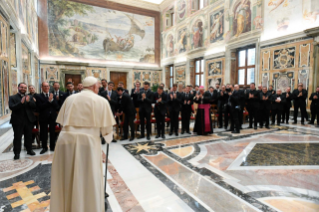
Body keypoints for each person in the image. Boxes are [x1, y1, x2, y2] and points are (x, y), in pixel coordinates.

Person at [50, 76, 116, 212]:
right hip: (87, 142)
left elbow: (62, 122)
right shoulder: (101, 101)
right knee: (86, 177)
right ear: (93, 87)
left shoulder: (70, 99)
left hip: (65, 141)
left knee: (66, 176)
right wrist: (108, 137)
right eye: (98, 87)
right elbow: (108, 132)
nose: (98, 89)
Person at [9, 82, 36, 160]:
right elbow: (12, 107)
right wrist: (21, 103)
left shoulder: (30, 97)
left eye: (25, 88)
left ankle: (29, 150)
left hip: (28, 120)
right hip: (17, 120)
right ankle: (17, 153)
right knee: (17, 137)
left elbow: (34, 107)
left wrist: (28, 102)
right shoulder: (12, 97)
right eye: (22, 87)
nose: (23, 89)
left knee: (29, 136)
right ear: (18, 88)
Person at [36, 82, 60, 153]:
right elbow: (40, 107)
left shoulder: (53, 95)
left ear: (49, 87)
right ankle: (44, 147)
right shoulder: (38, 96)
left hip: (52, 116)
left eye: (47, 86)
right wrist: (48, 101)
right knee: (44, 133)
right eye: (44, 86)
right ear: (42, 87)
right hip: (43, 117)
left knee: (52, 132)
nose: (46, 87)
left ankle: (52, 147)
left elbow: (57, 106)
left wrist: (52, 100)